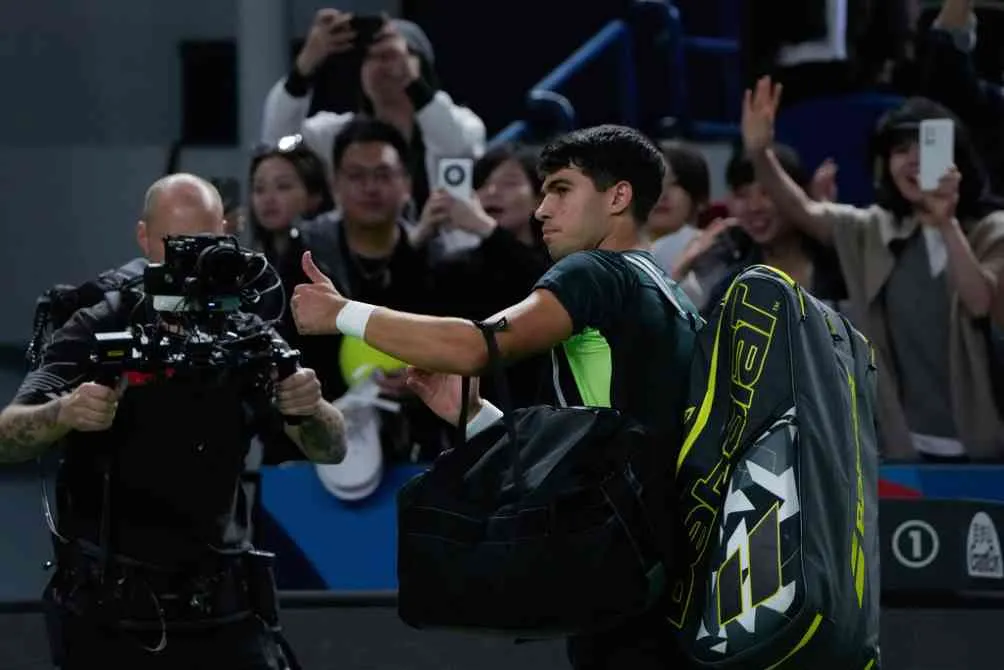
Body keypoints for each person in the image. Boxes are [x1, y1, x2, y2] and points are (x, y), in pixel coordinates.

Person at [290, 125, 700, 669]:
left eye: (561, 190)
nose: (540, 211)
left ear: (618, 197)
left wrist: (343, 314)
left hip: (625, 578)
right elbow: (593, 455)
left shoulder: (594, 272)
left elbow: (475, 345)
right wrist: (477, 416)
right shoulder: (667, 290)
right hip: (667, 580)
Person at [0, 174, 346, 669]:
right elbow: (6, 436)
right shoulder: (100, 322)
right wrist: (64, 412)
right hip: (113, 615)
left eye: (203, 244)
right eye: (174, 245)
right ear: (144, 239)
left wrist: (308, 406)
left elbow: (329, 448)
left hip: (224, 608)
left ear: (226, 238)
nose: (187, 262)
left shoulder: (246, 330)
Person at [742, 76, 1004, 460]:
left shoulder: (991, 228)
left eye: (925, 148)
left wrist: (945, 222)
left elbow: (981, 302)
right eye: (899, 150)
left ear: (957, 158)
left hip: (987, 447)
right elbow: (803, 210)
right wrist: (760, 153)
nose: (913, 160)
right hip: (905, 447)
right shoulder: (871, 230)